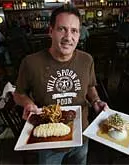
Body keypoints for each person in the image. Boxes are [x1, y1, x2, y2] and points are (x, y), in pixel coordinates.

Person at [13, 5, 108, 165]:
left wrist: (96, 101)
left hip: (81, 136)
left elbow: (90, 86)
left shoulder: (87, 60)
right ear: (50, 31)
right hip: (48, 140)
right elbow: (18, 94)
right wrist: (28, 104)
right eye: (62, 29)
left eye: (74, 31)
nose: (68, 37)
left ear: (79, 34)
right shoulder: (30, 62)